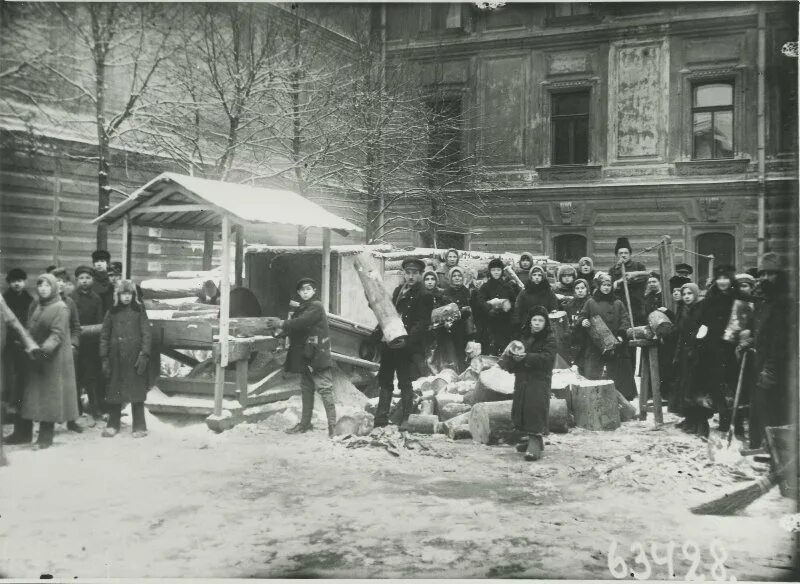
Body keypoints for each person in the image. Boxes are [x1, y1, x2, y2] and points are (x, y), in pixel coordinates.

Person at [5, 273, 79, 449]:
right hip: (33, 356)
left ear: (53, 287)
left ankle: (46, 437)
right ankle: (22, 433)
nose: (43, 289)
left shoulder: (61, 308)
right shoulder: (36, 304)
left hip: (51, 359)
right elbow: (30, 326)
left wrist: (43, 352)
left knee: (48, 397)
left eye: (47, 285)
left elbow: (57, 335)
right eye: (40, 285)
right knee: (25, 395)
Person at [739, 252, 791, 448]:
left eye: (771, 274)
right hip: (760, 361)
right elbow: (758, 329)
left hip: (778, 366)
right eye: (762, 274)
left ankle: (776, 452)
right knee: (759, 406)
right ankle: (759, 445)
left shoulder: (784, 302)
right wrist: (748, 338)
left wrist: (770, 369)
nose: (765, 278)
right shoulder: (763, 300)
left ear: (780, 275)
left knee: (775, 409)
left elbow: (782, 340)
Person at [373, 258, 433, 428]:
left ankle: (407, 419)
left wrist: (407, 341)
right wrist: (376, 334)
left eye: (415, 273)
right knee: (385, 379)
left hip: (407, 346)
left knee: (405, 381)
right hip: (390, 343)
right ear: (404, 274)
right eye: (408, 273)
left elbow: (422, 323)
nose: (411, 276)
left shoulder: (425, 295)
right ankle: (381, 418)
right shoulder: (399, 290)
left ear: (420, 274)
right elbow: (388, 313)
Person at [274, 278, 337, 437]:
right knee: (307, 389)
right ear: (299, 293)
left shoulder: (316, 306)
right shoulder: (303, 307)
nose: (305, 292)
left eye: (308, 289)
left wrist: (281, 324)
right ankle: (305, 423)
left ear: (314, 291)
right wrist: (280, 334)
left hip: (317, 356)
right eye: (302, 290)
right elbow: (296, 326)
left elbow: (302, 322)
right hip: (306, 355)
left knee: (325, 389)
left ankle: (333, 427)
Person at [498, 305, 556, 462]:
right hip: (522, 378)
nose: (537, 323)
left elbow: (547, 359)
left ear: (546, 323)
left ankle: (535, 440)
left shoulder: (549, 338)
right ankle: (528, 438)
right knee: (521, 408)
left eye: (540, 320)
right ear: (530, 321)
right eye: (534, 320)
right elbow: (517, 352)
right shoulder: (524, 336)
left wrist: (526, 358)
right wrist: (511, 361)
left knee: (535, 408)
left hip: (539, 379)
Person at [99, 280, 152, 438]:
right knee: (114, 390)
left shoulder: (139, 310)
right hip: (115, 359)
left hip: (134, 358)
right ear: (118, 295)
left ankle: (140, 426)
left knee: (136, 392)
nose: (127, 297)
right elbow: (104, 335)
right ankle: (113, 424)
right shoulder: (112, 312)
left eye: (129, 293)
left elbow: (146, 334)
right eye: (124, 294)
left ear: (133, 295)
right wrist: (104, 357)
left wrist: (144, 354)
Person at [578, 273, 637, 400]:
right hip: (595, 345)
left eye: (608, 285)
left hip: (616, 344)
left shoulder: (618, 303)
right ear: (599, 286)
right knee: (595, 376)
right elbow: (583, 315)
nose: (606, 287)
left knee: (618, 377)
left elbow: (625, 320)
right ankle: (596, 402)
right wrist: (583, 321)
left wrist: (622, 334)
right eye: (604, 285)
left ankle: (621, 402)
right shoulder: (591, 302)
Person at [695, 265, 739, 434]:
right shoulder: (710, 298)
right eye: (719, 278)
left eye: (725, 278)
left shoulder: (737, 297)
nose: (722, 281)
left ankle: (738, 422)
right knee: (717, 383)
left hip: (732, 346)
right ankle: (724, 419)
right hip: (713, 347)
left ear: (730, 279)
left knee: (733, 383)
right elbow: (702, 319)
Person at [672, 283, 711, 435]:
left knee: (697, 390)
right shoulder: (683, 310)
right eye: (685, 294)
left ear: (695, 294)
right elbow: (681, 335)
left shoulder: (701, 309)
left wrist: (696, 349)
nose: (687, 296)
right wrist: (677, 355)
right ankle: (690, 420)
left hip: (699, 356)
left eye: (690, 293)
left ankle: (701, 424)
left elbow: (704, 332)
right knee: (686, 389)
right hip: (685, 356)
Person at [51, 268, 84, 433]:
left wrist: (73, 344)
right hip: (49, 351)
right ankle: (49, 420)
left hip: (67, 351)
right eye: (56, 281)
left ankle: (72, 421)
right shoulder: (41, 302)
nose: (59, 284)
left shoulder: (70, 303)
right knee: (50, 385)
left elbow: (76, 327)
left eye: (62, 281)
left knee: (72, 386)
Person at [71, 265, 105, 424]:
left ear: (92, 280)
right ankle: (75, 410)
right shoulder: (71, 298)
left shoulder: (97, 299)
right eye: (81, 278)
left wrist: (89, 332)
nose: (84, 281)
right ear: (77, 280)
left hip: (91, 345)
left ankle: (94, 409)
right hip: (75, 345)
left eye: (87, 278)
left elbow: (100, 323)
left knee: (91, 377)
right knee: (75, 377)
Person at [2, 268, 33, 420]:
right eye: (14, 281)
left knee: (23, 375)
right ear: (9, 283)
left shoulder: (29, 299)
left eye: (20, 281)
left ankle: (21, 407)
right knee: (9, 376)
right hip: (8, 343)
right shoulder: (5, 299)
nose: (17, 284)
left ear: (25, 282)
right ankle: (9, 409)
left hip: (24, 343)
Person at [477, 258, 516, 356]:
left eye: (498, 270)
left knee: (504, 350)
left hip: (505, 323)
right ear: (490, 271)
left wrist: (507, 306)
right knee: (492, 350)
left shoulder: (507, 286)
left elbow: (514, 301)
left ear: (502, 271)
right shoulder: (485, 287)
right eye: (493, 270)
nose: (496, 272)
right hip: (490, 324)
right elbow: (480, 302)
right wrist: (489, 308)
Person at [441, 266, 474, 373]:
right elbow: (442, 310)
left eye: (459, 276)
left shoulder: (467, 291)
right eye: (454, 276)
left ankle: (465, 374)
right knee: (452, 355)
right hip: (450, 329)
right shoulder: (446, 292)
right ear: (450, 278)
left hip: (464, 328)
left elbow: (471, 309)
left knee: (465, 354)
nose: (457, 278)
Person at [608, 237, 647, 326]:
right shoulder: (612, 270)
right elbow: (610, 286)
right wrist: (620, 281)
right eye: (621, 253)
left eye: (626, 253)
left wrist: (632, 277)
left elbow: (644, 277)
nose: (623, 255)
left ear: (630, 254)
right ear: (617, 255)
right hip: (620, 307)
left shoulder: (638, 266)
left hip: (637, 307)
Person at [511, 265, 558, 336]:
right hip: (527, 326)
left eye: (539, 275)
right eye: (534, 275)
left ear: (543, 277)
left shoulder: (549, 292)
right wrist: (517, 326)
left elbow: (554, 308)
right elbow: (517, 309)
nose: (537, 277)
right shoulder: (524, 292)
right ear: (531, 276)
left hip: (544, 326)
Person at [564, 278, 591, 370]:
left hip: (588, 341)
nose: (580, 290)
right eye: (577, 288)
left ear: (587, 289)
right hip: (574, 341)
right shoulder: (569, 305)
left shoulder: (592, 303)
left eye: (582, 288)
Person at [91, 250, 114, 314]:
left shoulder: (112, 279)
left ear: (107, 263)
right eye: (96, 261)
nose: (99, 264)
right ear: (93, 264)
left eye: (102, 261)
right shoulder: (90, 280)